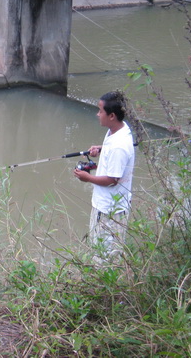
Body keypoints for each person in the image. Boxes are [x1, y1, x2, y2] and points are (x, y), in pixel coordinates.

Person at [74, 91, 135, 259]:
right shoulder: (118, 131)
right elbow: (115, 155)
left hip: (109, 211)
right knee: (106, 253)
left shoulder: (118, 146)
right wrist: (102, 149)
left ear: (112, 116)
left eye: (100, 111)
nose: (97, 114)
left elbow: (112, 180)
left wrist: (87, 178)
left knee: (103, 257)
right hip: (110, 207)